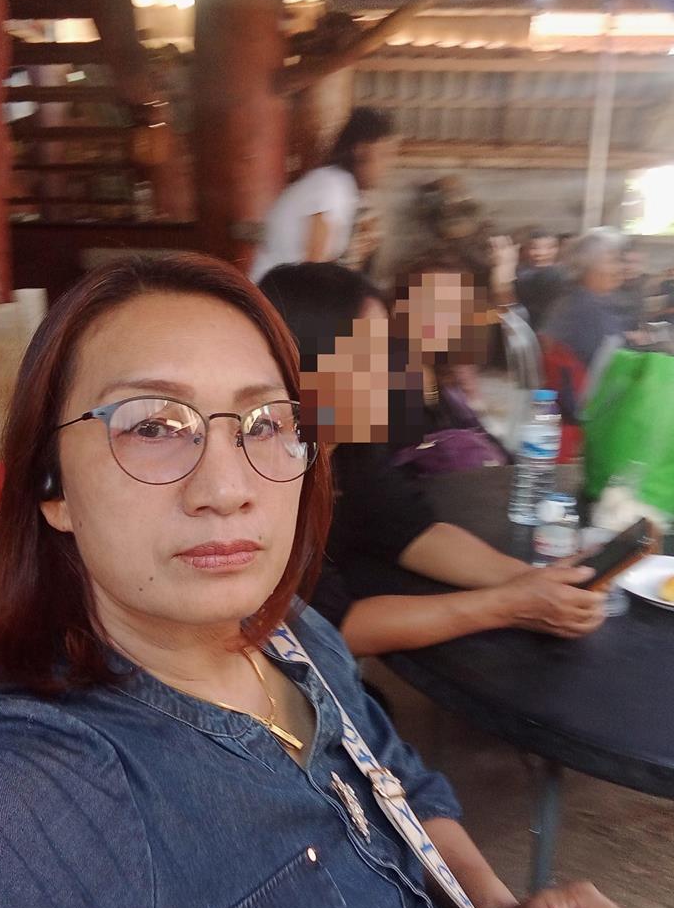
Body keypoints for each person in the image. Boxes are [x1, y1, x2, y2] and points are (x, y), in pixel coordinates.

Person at [0, 254, 674, 908]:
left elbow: (399, 786)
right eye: (153, 426)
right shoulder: (25, 807)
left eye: (265, 423)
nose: (227, 489)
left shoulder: (294, 634)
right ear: (52, 487)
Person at [260, 262, 607, 657]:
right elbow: (328, 630)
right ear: (306, 363)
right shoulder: (266, 473)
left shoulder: (350, 444)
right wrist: (510, 605)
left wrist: (533, 579)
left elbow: (412, 531)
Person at [250, 108, 395, 283]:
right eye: (383, 155)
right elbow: (315, 271)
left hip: (285, 289)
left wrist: (358, 254)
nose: (387, 167)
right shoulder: (333, 187)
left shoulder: (340, 186)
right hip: (274, 293)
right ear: (361, 151)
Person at [540, 228, 636, 431]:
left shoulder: (575, 300)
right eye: (612, 261)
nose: (619, 268)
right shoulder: (587, 308)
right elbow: (608, 363)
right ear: (588, 266)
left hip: (574, 399)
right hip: (591, 406)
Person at [514, 228, 567, 330]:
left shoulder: (564, 272)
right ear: (527, 249)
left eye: (549, 247)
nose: (542, 252)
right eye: (535, 248)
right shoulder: (521, 275)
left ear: (557, 248)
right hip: (530, 326)